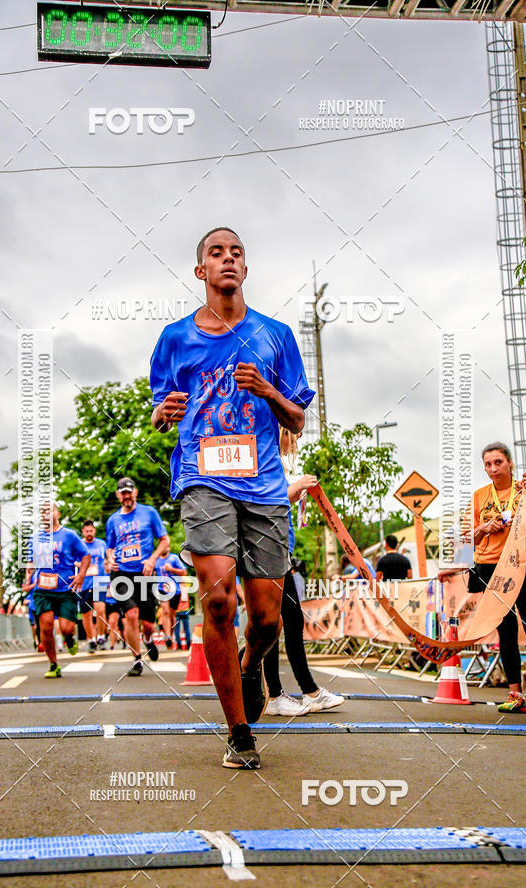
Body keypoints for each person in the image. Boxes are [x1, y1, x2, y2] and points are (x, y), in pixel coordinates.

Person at [150, 226, 314, 769]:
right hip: (202, 477)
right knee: (218, 599)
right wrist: (161, 414)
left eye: (235, 253)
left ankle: (250, 668)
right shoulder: (175, 338)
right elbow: (159, 411)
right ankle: (239, 731)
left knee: (267, 618)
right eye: (215, 253)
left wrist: (267, 390)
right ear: (201, 271)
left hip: (264, 484)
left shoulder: (276, 335)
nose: (226, 260)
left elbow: (298, 418)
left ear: (246, 269)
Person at [263, 427, 344, 716]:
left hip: (277, 551)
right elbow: (262, 500)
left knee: (281, 622)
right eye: (294, 437)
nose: (296, 444)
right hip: (267, 551)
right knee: (275, 622)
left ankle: (291, 692)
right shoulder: (265, 453)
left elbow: (275, 500)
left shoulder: (272, 458)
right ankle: (285, 693)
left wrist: (292, 494)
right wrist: (292, 489)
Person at [470, 443, 526, 713]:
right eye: (488, 464)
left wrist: (524, 527)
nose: (493, 469)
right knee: (505, 630)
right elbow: (467, 537)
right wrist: (483, 526)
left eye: (498, 462)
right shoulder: (480, 496)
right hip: (493, 567)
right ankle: (515, 694)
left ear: (510, 463)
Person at [105, 477, 168, 675]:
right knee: (131, 615)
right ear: (118, 495)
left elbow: (165, 541)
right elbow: (109, 548)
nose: (126, 496)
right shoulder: (113, 520)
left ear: (135, 492)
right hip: (121, 574)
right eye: (123, 493)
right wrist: (110, 559)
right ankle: (137, 660)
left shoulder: (149, 513)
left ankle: (148, 640)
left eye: (129, 492)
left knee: (148, 624)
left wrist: (152, 559)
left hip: (144, 573)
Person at [23, 503, 90, 678]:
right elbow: (30, 561)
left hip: (65, 588)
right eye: (42, 511)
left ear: (57, 513)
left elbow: (85, 555)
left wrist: (81, 575)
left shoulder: (69, 535)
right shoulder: (35, 538)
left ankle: (69, 638)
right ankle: (53, 664)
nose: (46, 514)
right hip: (43, 588)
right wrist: (27, 576)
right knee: (45, 626)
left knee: (66, 628)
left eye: (49, 510)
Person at [78, 520, 108, 652]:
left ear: (94, 531)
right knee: (86, 614)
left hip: (100, 581)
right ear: (83, 532)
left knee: (100, 608)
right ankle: (91, 640)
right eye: (86, 531)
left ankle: (101, 637)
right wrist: (82, 565)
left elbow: (108, 558)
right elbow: (72, 560)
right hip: (83, 583)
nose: (89, 533)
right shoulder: (78, 544)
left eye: (91, 531)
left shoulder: (102, 544)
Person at [153, 537, 187, 649]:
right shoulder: (156, 560)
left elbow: (184, 572)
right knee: (166, 612)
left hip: (175, 590)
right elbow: (152, 573)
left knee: (172, 615)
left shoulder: (174, 558)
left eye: (166, 546)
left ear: (169, 547)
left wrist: (172, 569)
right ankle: (167, 636)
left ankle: (170, 636)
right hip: (161, 589)